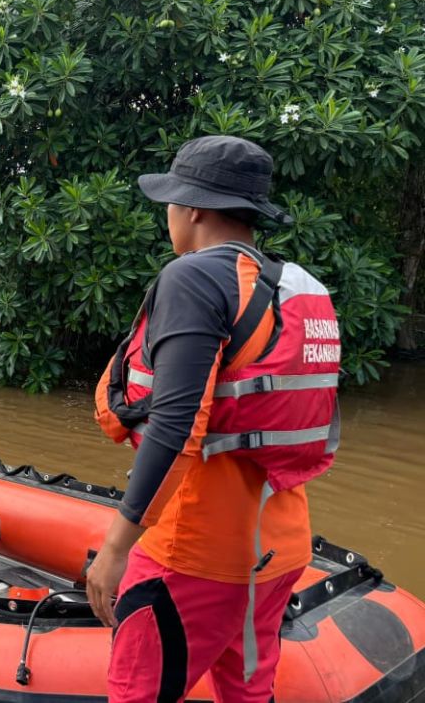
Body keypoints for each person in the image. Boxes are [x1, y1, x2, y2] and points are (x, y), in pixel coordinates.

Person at [88, 136, 341, 701]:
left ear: (194, 207)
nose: (169, 217)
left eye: (171, 203)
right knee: (248, 694)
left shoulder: (193, 278)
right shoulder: (297, 285)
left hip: (194, 553)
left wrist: (115, 547)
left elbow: (177, 426)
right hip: (278, 549)